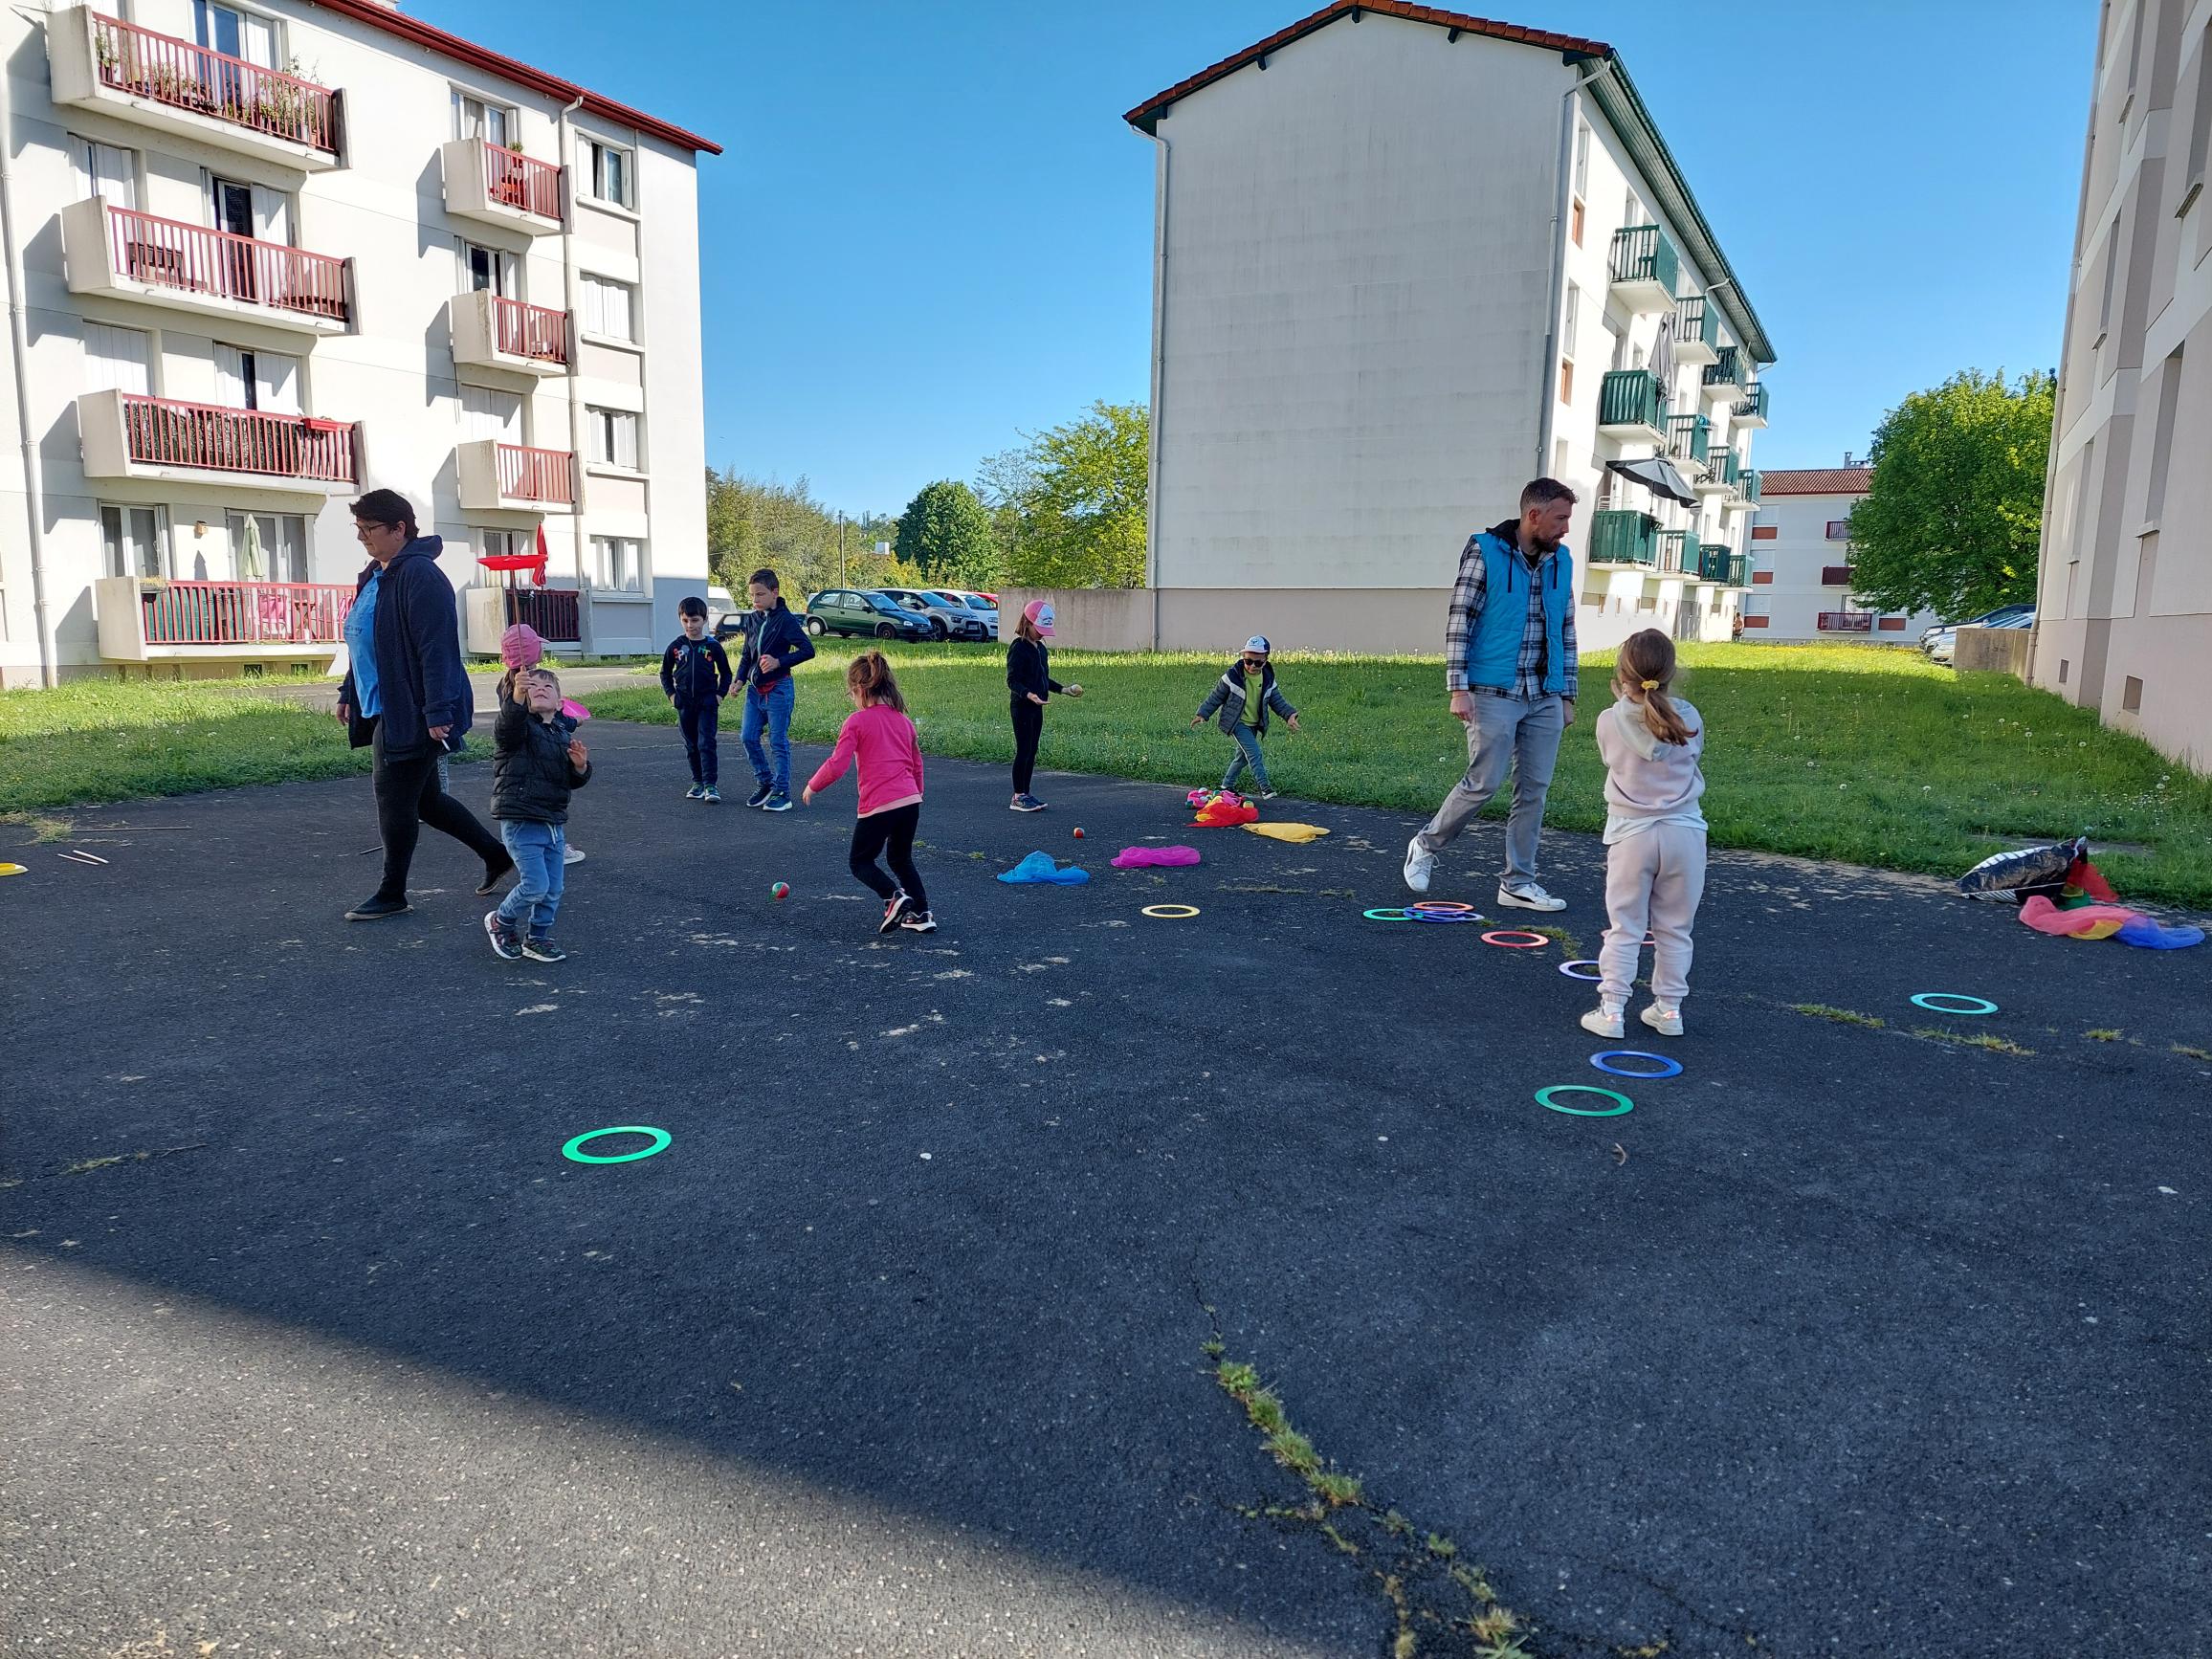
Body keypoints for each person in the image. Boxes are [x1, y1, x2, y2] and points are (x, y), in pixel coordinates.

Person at [1403, 476, 1580, 912]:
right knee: (1484, 783)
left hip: (1544, 694)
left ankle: (1518, 882)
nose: (1566, 529)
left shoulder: (1562, 561)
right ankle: (1426, 845)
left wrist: (1567, 694)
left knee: (1533, 791)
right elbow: (1460, 619)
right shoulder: (1486, 551)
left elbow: (1567, 627)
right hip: (1492, 690)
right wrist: (1457, 688)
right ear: (1533, 515)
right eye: (1560, 519)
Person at [337, 488, 511, 921]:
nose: (362, 537)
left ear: (400, 529)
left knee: (394, 800)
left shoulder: (421, 576)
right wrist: (347, 691)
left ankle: (392, 892)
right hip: (383, 704)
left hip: (414, 710)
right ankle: (497, 855)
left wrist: (438, 712)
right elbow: (366, 638)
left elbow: (437, 651)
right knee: (426, 800)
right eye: (357, 529)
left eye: (369, 529)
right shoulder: (375, 574)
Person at [1582, 629, 1706, 1040]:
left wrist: (1624, 703)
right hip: (1685, 834)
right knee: (1675, 928)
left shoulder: (1607, 721)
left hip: (1631, 835)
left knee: (1625, 926)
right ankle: (1669, 1012)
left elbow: (1614, 753)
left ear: (1620, 676)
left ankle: (1612, 1010)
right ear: (1672, 674)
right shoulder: (1689, 717)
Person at [802, 651, 935, 935]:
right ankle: (922, 913)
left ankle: (894, 897)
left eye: (851, 694)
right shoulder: (904, 721)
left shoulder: (857, 722)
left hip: (879, 803)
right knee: (900, 858)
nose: (852, 700)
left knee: (860, 861)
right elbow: (917, 764)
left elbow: (837, 765)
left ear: (860, 690)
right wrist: (916, 793)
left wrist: (813, 785)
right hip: (910, 801)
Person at [484, 664, 593, 963]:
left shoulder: (560, 734)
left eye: (548, 686)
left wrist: (580, 766)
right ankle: (501, 922)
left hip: (552, 824)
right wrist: (517, 695)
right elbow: (507, 726)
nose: (540, 689)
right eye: (533, 686)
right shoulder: (519, 729)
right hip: (521, 820)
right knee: (535, 885)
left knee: (553, 888)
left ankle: (538, 937)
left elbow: (571, 781)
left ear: (560, 703)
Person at [730, 567, 815, 811]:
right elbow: (747, 654)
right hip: (755, 691)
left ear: (775, 592)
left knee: (777, 741)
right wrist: (739, 679)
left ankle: (782, 792)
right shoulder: (753, 619)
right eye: (752, 595)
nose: (755, 600)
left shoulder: (786, 620)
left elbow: (808, 650)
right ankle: (765, 782)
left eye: (760, 595)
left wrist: (780, 662)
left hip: (778, 688)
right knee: (747, 737)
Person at [1190, 634, 1299, 799]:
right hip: (1237, 723)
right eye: (1248, 661)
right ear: (1243, 658)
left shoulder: (1268, 679)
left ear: (1266, 659)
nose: (1252, 666)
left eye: (1258, 662)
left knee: (1241, 758)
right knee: (1254, 753)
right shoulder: (1233, 676)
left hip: (1254, 724)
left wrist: (1290, 715)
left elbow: (1277, 701)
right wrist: (1203, 713)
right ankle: (1265, 787)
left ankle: (1226, 786)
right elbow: (1216, 696)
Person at [1005, 599, 1082, 811]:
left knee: (1032, 749)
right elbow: (1012, 680)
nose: (1041, 634)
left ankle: (1026, 793)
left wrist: (1064, 690)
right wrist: (1028, 694)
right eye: (1038, 629)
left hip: (1038, 706)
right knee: (1023, 750)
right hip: (1022, 707)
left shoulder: (1040, 649)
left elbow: (1044, 679)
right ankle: (1018, 796)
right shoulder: (1018, 648)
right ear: (1027, 623)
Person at [660, 596, 733, 803]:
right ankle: (698, 782)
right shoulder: (676, 646)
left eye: (695, 620)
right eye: (686, 621)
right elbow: (665, 673)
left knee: (706, 743)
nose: (690, 625)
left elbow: (726, 673)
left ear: (704, 619)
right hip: (684, 703)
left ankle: (711, 785)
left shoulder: (713, 646)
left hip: (707, 703)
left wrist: (719, 695)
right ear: (681, 620)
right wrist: (672, 695)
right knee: (691, 744)